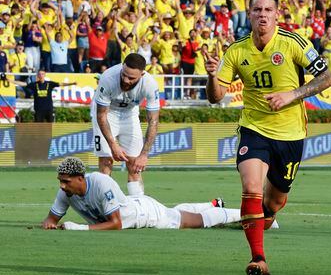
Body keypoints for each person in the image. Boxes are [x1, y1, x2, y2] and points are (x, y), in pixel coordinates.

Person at [204, 0, 331, 275]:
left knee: (274, 202)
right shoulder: (236, 50)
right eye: (256, 10)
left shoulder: (292, 43)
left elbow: (327, 78)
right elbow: (216, 97)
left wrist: (293, 94)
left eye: (267, 10)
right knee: (251, 187)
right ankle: (258, 258)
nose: (262, 14)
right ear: (249, 14)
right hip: (254, 129)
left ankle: (262, 219)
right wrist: (213, 76)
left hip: (290, 134)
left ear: (277, 14)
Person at [42, 157, 241, 231]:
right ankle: (214, 203)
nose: (62, 185)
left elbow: (116, 224)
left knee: (197, 221)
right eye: (60, 180)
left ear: (80, 178)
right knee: (175, 211)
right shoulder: (66, 193)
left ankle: (245, 213)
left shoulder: (101, 182)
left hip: (147, 215)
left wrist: (78, 228)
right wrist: (49, 225)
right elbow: (50, 220)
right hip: (135, 203)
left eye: (66, 181)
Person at [91, 53, 159, 199]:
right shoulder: (108, 78)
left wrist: (144, 154)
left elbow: (153, 121)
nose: (126, 80)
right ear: (122, 67)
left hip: (130, 113)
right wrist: (113, 145)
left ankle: (139, 206)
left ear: (142, 74)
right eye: (124, 75)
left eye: (132, 78)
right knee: (106, 160)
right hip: (107, 113)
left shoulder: (150, 84)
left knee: (135, 164)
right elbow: (101, 116)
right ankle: (105, 206)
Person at [7, 69, 76, 122]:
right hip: (39, 110)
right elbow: (23, 84)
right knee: (38, 127)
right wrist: (10, 81)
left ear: (45, 75)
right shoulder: (34, 84)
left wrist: (72, 83)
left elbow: (61, 84)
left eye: (42, 74)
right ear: (37, 76)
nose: (41, 76)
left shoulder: (50, 84)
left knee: (50, 127)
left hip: (49, 109)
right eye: (39, 74)